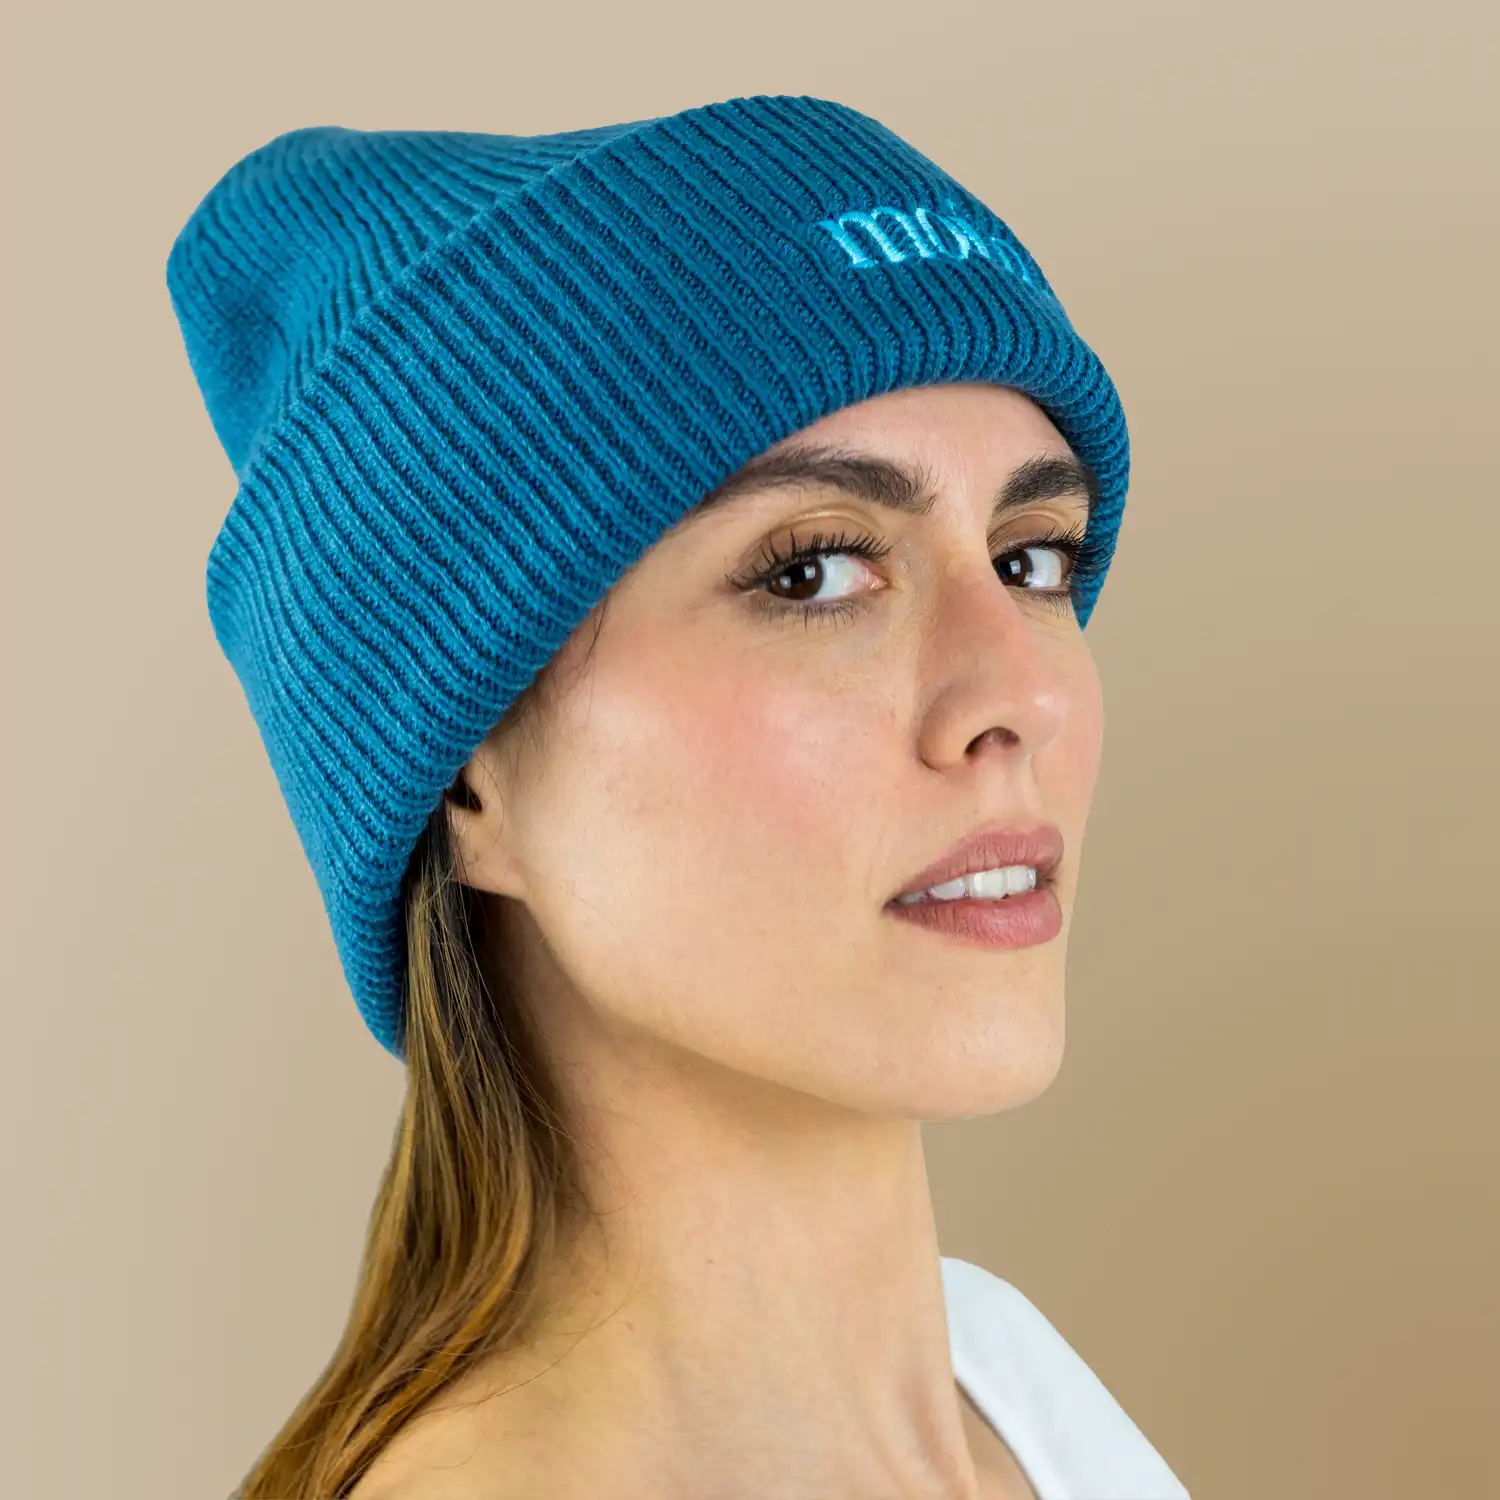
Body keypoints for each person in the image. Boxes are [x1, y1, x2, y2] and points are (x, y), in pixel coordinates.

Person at [167, 94, 1190, 1500]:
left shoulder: (1014, 1387)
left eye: (1031, 560)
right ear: (466, 780)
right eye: (813, 571)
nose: (1022, 692)